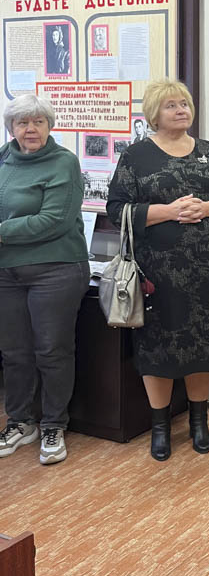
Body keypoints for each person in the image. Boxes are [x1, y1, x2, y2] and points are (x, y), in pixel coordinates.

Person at [106, 79, 209, 461]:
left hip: (208, 272)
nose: (181, 109)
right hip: (157, 274)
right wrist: (167, 212)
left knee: (202, 344)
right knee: (158, 348)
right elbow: (116, 209)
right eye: (171, 105)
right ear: (154, 113)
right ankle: (160, 426)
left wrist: (206, 208)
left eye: (184, 103)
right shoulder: (136, 155)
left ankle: (199, 421)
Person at [0, 94, 90, 465]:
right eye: (22, 123)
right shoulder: (3, 159)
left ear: (49, 126)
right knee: (14, 353)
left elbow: (53, 220)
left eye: (38, 122)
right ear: (11, 127)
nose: (30, 129)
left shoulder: (63, 162)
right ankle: (21, 422)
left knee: (51, 351)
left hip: (55, 270)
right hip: (6, 273)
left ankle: (54, 424)